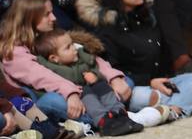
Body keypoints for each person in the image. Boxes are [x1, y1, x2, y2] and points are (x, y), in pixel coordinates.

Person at [75, 0, 192, 118]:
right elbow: (114, 73)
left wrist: (164, 80)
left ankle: (171, 111)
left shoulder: (147, 16)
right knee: (150, 97)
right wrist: (149, 82)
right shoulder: (106, 29)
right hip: (134, 89)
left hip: (160, 82)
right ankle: (185, 106)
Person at [32, 28, 164, 132]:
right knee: (88, 94)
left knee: (103, 87)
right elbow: (60, 80)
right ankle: (103, 122)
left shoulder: (83, 56)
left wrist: (95, 76)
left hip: (94, 86)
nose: (74, 49)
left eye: (72, 44)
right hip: (78, 94)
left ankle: (120, 113)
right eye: (68, 48)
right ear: (54, 58)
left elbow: (95, 66)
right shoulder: (50, 67)